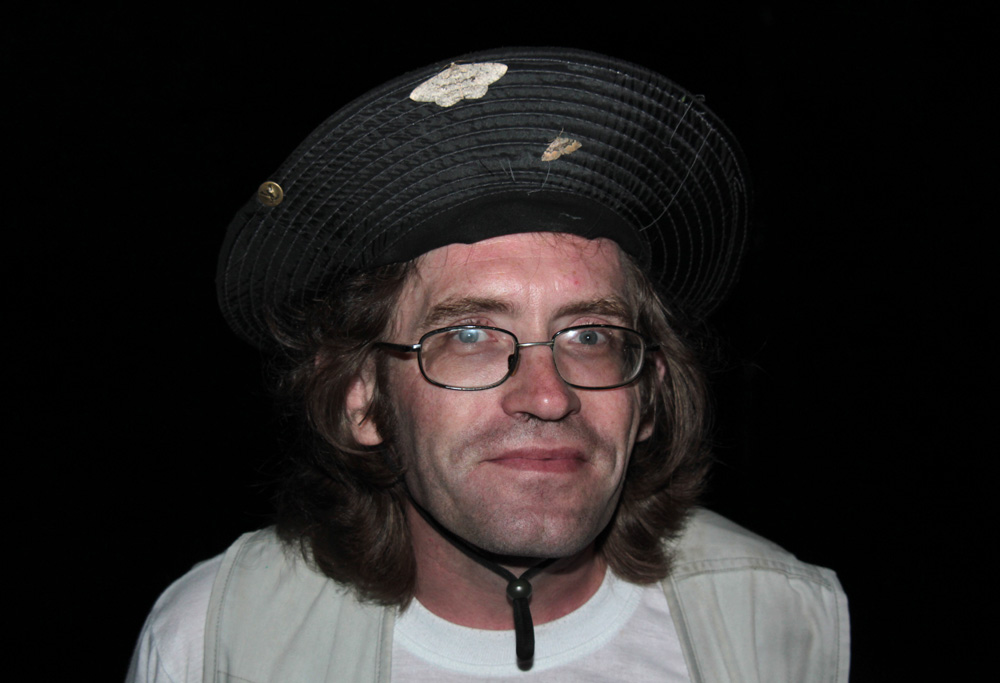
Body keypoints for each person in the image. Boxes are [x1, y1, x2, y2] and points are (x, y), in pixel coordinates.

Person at [127, 47, 849, 682]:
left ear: (650, 395)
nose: (548, 396)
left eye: (590, 336)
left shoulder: (787, 620)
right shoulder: (215, 640)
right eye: (470, 334)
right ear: (362, 398)